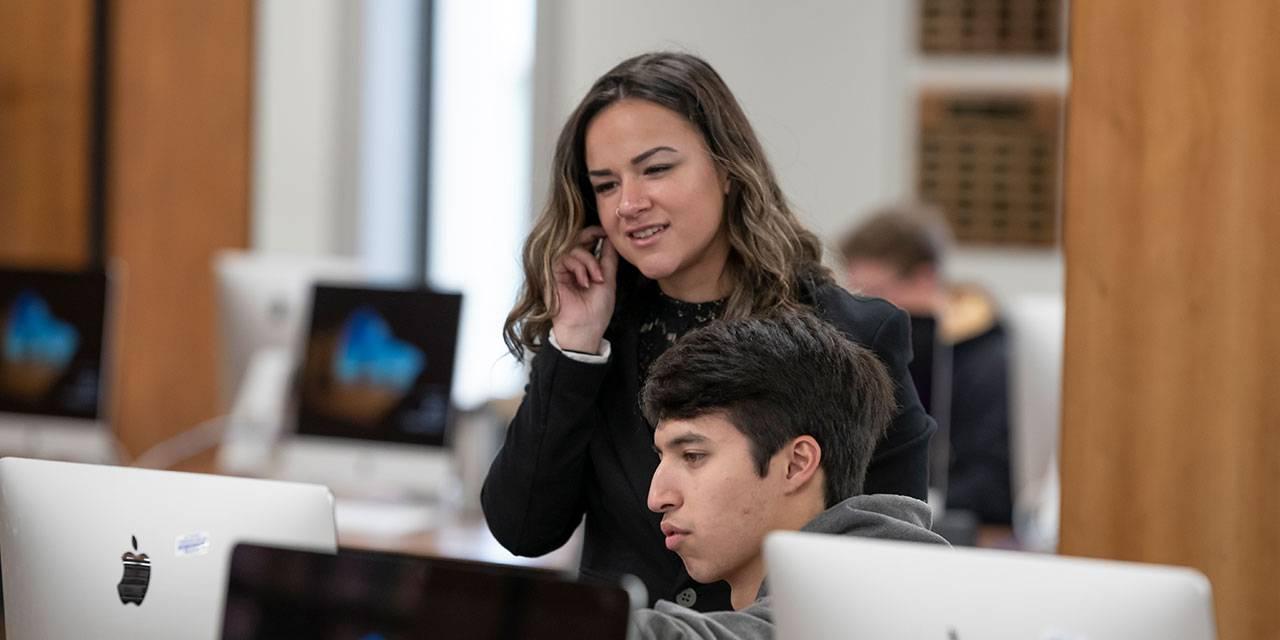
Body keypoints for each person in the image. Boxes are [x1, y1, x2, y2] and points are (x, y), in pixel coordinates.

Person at [482, 52, 934, 611]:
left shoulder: (851, 335)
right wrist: (574, 343)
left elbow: (898, 555)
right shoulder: (600, 340)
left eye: (656, 169)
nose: (629, 203)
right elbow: (524, 529)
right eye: (605, 184)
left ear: (725, 168)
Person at [632, 312, 948, 638]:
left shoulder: (885, 604)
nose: (657, 497)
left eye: (693, 456)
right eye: (662, 457)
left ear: (796, 464)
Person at [839, 205, 1012, 525]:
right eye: (854, 295)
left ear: (925, 279)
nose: (861, 311)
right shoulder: (869, 350)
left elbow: (994, 484)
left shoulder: (986, 360)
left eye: (875, 292)